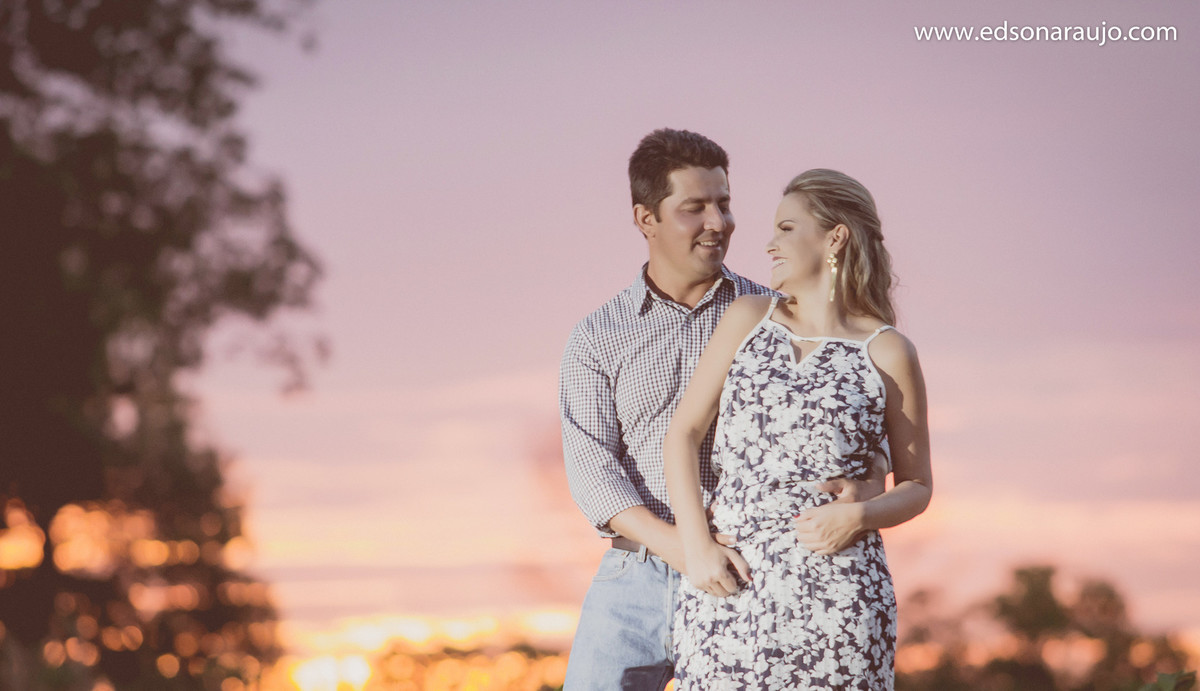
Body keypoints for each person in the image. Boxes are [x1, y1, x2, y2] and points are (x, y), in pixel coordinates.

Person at [559, 132, 888, 690]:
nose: (720, 221)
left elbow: (848, 410)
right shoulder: (597, 336)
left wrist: (871, 480)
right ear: (646, 218)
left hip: (753, 568)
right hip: (636, 575)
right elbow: (593, 471)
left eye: (725, 202)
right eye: (695, 207)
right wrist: (690, 550)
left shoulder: (772, 316)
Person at [664, 169, 932, 689]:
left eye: (786, 228)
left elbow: (918, 487)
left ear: (835, 237)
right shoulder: (746, 318)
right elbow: (682, 434)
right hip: (730, 591)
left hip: (841, 603)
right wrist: (696, 548)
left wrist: (858, 515)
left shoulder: (888, 350)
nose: (769, 244)